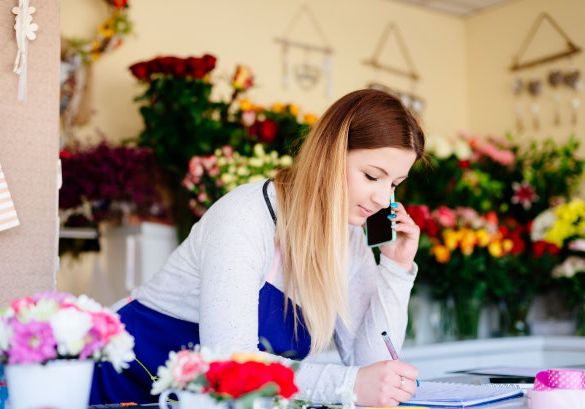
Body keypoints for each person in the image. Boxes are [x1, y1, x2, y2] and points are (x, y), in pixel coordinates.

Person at [90, 88, 425, 407]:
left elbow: (372, 366)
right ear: (329, 157)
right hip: (125, 390)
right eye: (371, 176)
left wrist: (396, 270)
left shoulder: (350, 238)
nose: (384, 199)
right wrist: (349, 385)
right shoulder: (245, 216)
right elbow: (230, 361)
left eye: (395, 184)